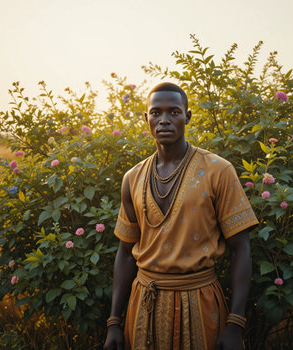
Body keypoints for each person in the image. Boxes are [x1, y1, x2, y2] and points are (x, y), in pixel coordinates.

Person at [104, 82, 258, 350]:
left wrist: (235, 323)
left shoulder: (218, 171)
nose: (164, 120)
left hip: (200, 303)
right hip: (143, 305)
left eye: (174, 112)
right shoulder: (133, 178)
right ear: (146, 118)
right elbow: (125, 253)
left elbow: (241, 248)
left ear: (187, 116)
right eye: (156, 113)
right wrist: (114, 322)